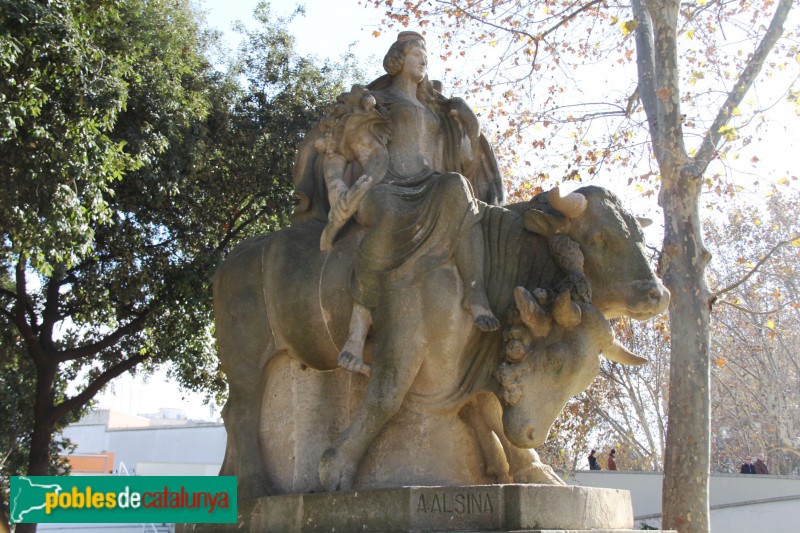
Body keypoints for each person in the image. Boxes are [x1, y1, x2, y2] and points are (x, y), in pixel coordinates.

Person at [303, 31, 503, 375]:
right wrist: (337, 188)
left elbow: (465, 161)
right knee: (392, 215)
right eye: (416, 54)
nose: (423, 60)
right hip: (383, 187)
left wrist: (470, 126)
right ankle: (356, 333)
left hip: (428, 185)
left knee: (459, 188)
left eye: (425, 56)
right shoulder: (378, 101)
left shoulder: (438, 110)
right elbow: (339, 145)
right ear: (397, 61)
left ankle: (476, 294)